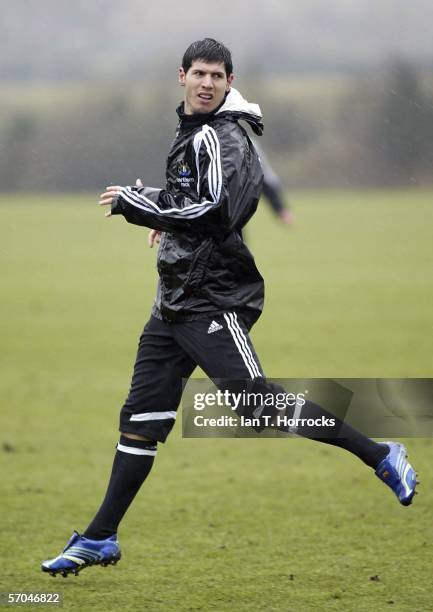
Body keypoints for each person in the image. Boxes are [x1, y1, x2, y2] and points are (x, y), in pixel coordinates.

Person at [41, 38, 417, 578]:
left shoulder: (225, 138)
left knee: (257, 404)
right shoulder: (193, 130)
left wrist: (140, 207)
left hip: (212, 298)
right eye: (199, 73)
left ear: (229, 82)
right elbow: (187, 198)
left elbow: (217, 212)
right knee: (141, 422)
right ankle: (100, 536)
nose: (207, 82)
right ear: (182, 76)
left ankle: (381, 455)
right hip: (173, 303)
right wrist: (161, 214)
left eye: (217, 75)